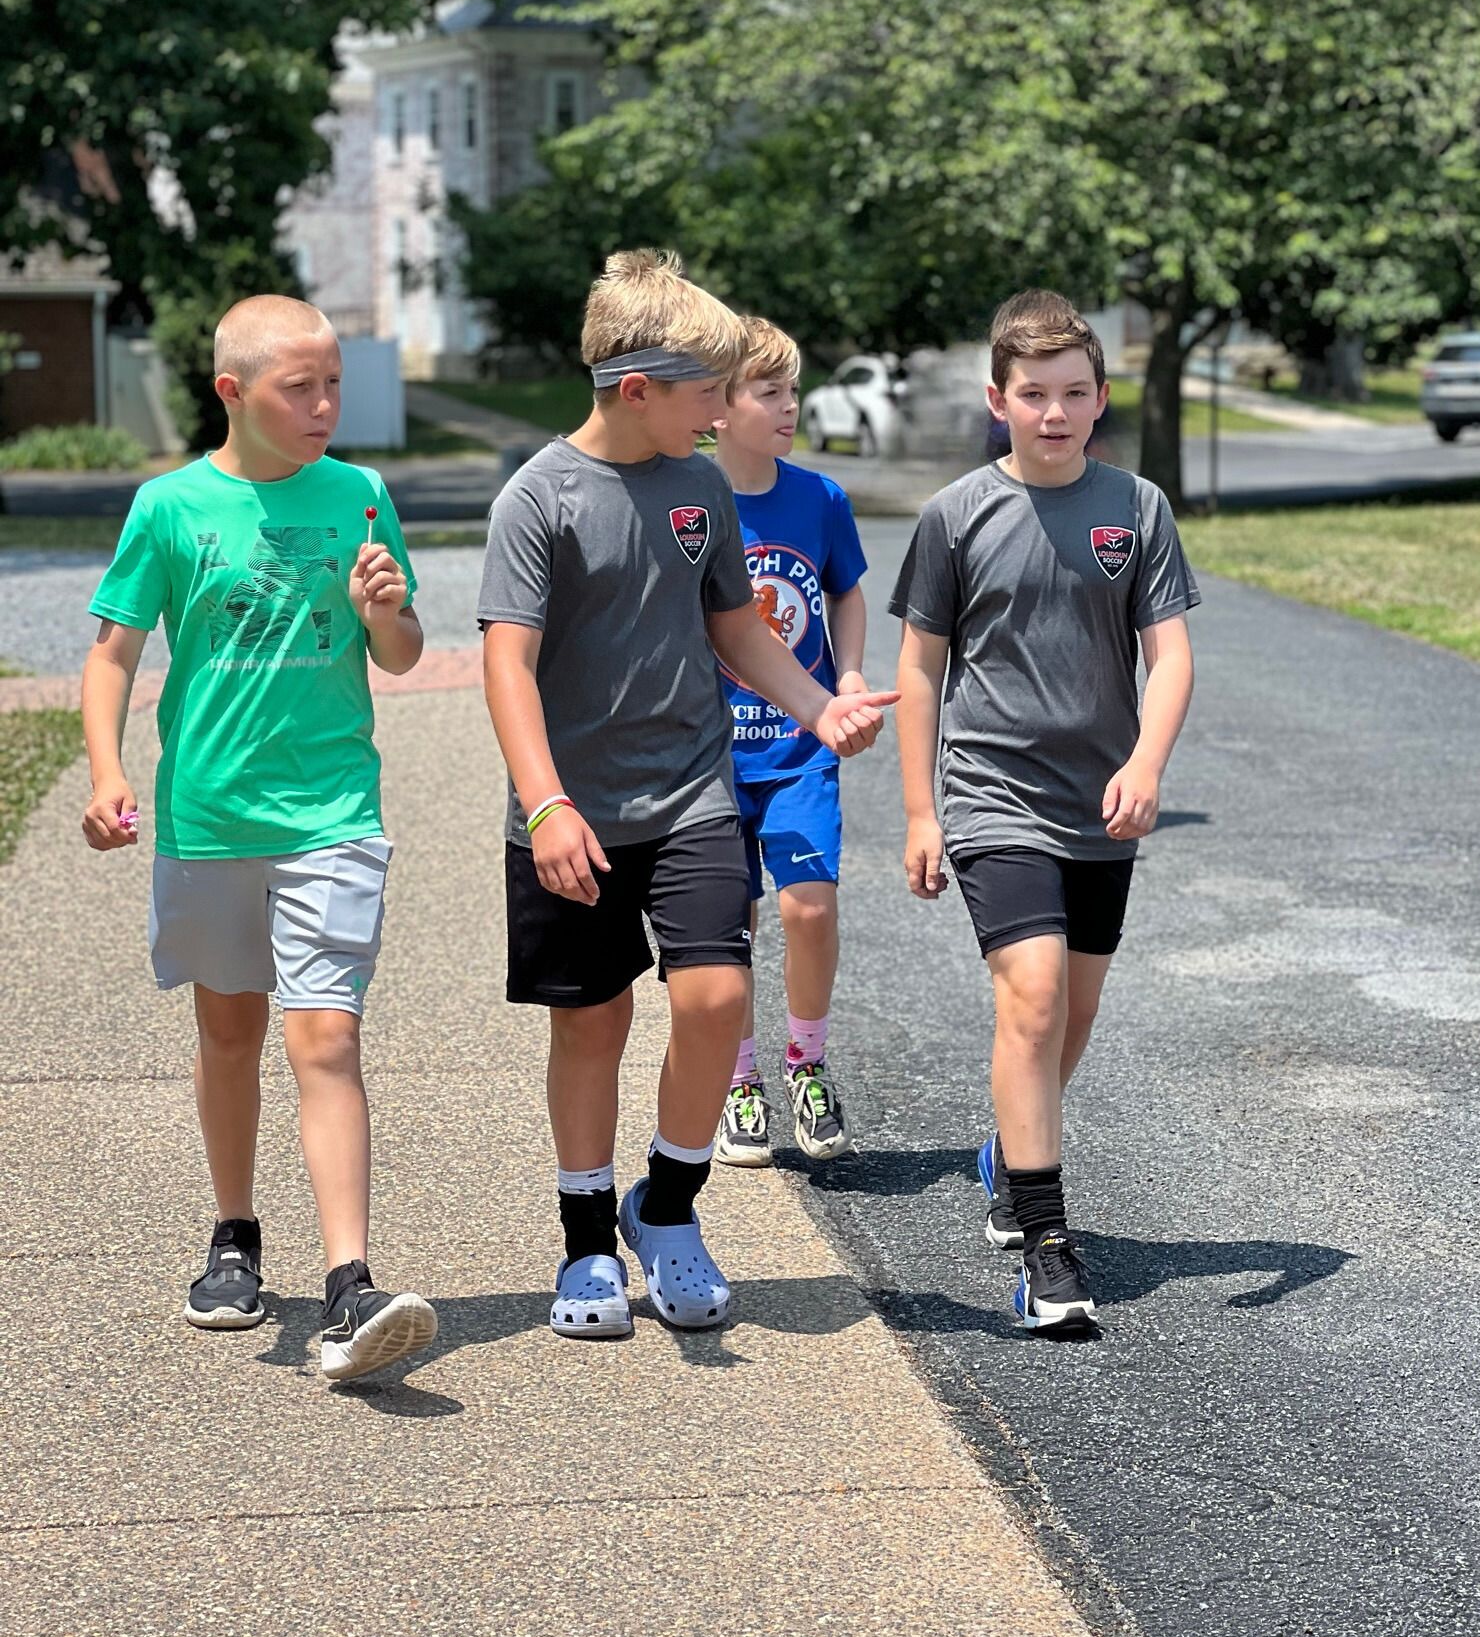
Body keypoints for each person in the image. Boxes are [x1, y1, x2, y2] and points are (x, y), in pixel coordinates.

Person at [478, 251, 896, 1341]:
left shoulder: (701, 487)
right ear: (638, 389)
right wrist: (544, 804)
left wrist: (818, 706)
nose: (721, 414)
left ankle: (664, 1210)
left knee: (714, 1000)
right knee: (594, 1020)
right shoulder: (540, 498)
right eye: (708, 391)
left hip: (691, 795)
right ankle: (583, 1242)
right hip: (570, 813)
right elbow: (506, 664)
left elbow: (737, 628)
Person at [80, 294, 438, 1385]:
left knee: (323, 1036)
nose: (327, 404)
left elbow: (405, 652)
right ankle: (234, 1233)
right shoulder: (171, 507)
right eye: (302, 387)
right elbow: (110, 654)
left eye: (335, 382)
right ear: (233, 392)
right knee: (229, 1032)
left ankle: (351, 1281)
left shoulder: (363, 497)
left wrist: (385, 607)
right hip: (209, 817)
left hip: (333, 811)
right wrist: (107, 773)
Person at [891, 289, 1198, 1332]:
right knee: (1029, 996)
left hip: (1098, 806)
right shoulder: (955, 516)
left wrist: (1149, 760)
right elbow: (921, 667)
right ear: (999, 398)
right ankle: (1046, 1241)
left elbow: (1171, 654)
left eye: (1074, 393)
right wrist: (922, 809)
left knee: (1072, 1006)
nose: (1055, 411)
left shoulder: (1139, 508)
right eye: (1034, 394)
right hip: (993, 797)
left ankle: (1008, 1151)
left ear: (1100, 397)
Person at [707, 317, 869, 1166]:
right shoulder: (688, 500)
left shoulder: (820, 498)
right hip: (709, 761)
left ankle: (807, 1062)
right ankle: (737, 1081)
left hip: (800, 748)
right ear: (718, 407)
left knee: (809, 906)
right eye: (768, 392)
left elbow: (845, 591)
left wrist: (845, 680)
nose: (789, 406)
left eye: (793, 391)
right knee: (727, 924)